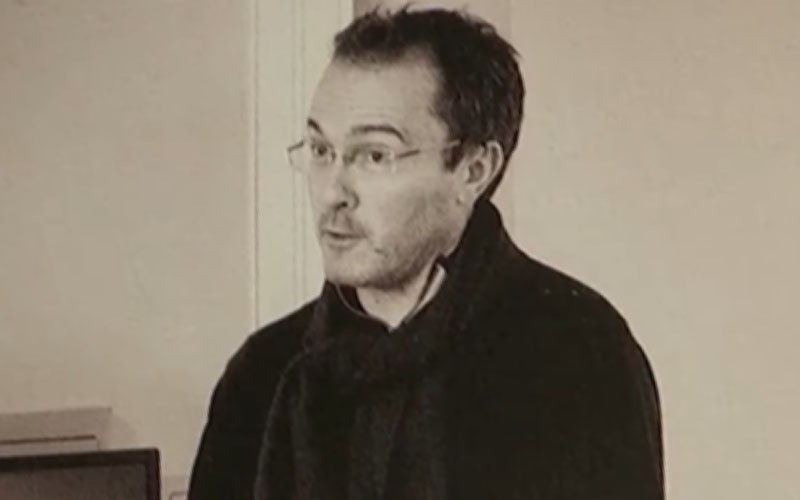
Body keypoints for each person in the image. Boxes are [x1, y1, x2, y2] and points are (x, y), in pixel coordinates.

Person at [188, 7, 663, 500]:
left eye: (375, 156)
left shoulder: (579, 355)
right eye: (321, 151)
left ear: (473, 170)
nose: (332, 192)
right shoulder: (262, 373)